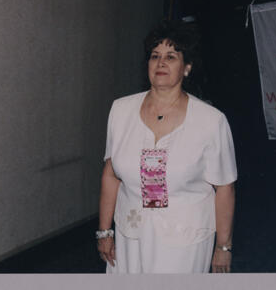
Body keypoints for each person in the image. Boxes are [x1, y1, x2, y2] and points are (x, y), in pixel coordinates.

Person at [97, 20, 237, 273]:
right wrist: (104, 231)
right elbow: (110, 173)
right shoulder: (121, 110)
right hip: (131, 234)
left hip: (184, 239)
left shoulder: (211, 120)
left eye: (171, 56)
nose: (161, 62)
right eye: (155, 56)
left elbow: (224, 187)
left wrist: (223, 246)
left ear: (187, 68)